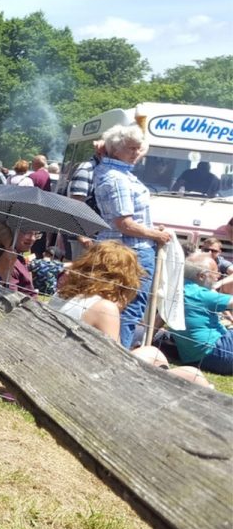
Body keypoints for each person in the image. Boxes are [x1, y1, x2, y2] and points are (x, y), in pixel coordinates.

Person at [47, 241, 210, 387]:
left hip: (64, 363)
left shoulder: (62, 296)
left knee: (152, 352)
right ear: (125, 277)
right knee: (191, 374)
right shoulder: (104, 308)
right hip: (90, 380)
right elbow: (115, 360)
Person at [92, 124, 173, 348]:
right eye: (132, 148)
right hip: (131, 251)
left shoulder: (109, 168)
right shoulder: (117, 178)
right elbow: (124, 224)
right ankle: (120, 354)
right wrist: (156, 234)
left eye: (138, 148)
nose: (137, 152)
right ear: (116, 149)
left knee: (113, 304)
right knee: (129, 308)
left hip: (118, 248)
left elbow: (141, 146)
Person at [171, 251, 233, 374]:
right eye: (215, 273)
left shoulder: (176, 291)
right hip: (220, 354)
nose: (218, 277)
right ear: (201, 276)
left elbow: (159, 319)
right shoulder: (201, 294)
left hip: (192, 358)